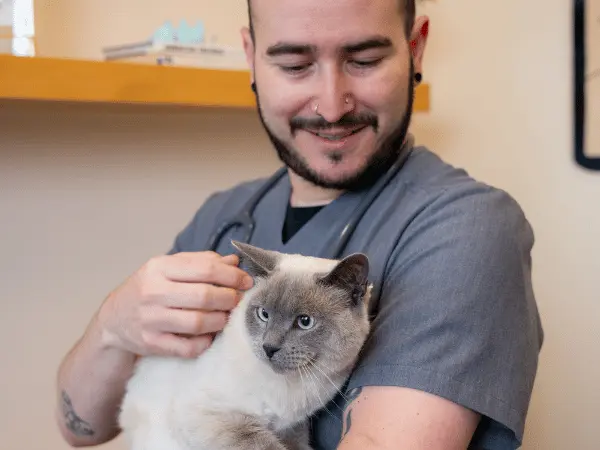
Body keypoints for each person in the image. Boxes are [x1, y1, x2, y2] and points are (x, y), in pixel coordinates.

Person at [54, 0, 544, 448]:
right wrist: (112, 325)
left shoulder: (464, 229)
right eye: (294, 65)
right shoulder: (224, 216)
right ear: (251, 60)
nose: (331, 106)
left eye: (364, 60)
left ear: (415, 51)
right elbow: (84, 427)